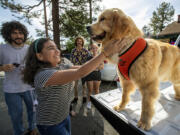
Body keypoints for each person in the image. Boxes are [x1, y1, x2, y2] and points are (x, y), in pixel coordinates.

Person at [22, 37, 123, 135]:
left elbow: (82, 68)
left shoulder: (61, 65)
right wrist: (105, 53)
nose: (57, 51)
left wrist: (101, 61)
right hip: (50, 124)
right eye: (51, 48)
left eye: (56, 47)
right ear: (39, 56)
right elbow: (80, 72)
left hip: (64, 116)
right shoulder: (43, 75)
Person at [0, 21, 38, 135]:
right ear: (8, 34)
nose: (18, 36)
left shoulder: (30, 48)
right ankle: (19, 132)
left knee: (33, 111)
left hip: (30, 87)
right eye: (14, 33)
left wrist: (29, 70)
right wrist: (2, 67)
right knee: (16, 115)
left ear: (24, 34)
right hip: (11, 90)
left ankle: (32, 129)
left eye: (20, 33)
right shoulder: (2, 48)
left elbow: (36, 65)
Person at [83, 44, 104, 109]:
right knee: (90, 90)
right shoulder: (88, 57)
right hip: (89, 74)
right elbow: (87, 67)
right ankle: (89, 102)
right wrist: (96, 66)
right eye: (92, 48)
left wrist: (93, 66)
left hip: (97, 74)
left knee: (96, 90)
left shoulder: (100, 57)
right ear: (91, 49)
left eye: (95, 48)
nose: (94, 49)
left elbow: (102, 67)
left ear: (97, 48)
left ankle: (97, 103)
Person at [70, 36, 90, 104]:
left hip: (83, 69)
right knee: (75, 85)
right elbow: (71, 60)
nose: (79, 42)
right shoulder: (73, 50)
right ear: (76, 42)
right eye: (78, 41)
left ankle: (84, 97)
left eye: (80, 41)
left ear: (82, 42)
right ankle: (76, 97)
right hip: (75, 69)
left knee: (83, 84)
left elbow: (88, 60)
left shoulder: (85, 51)